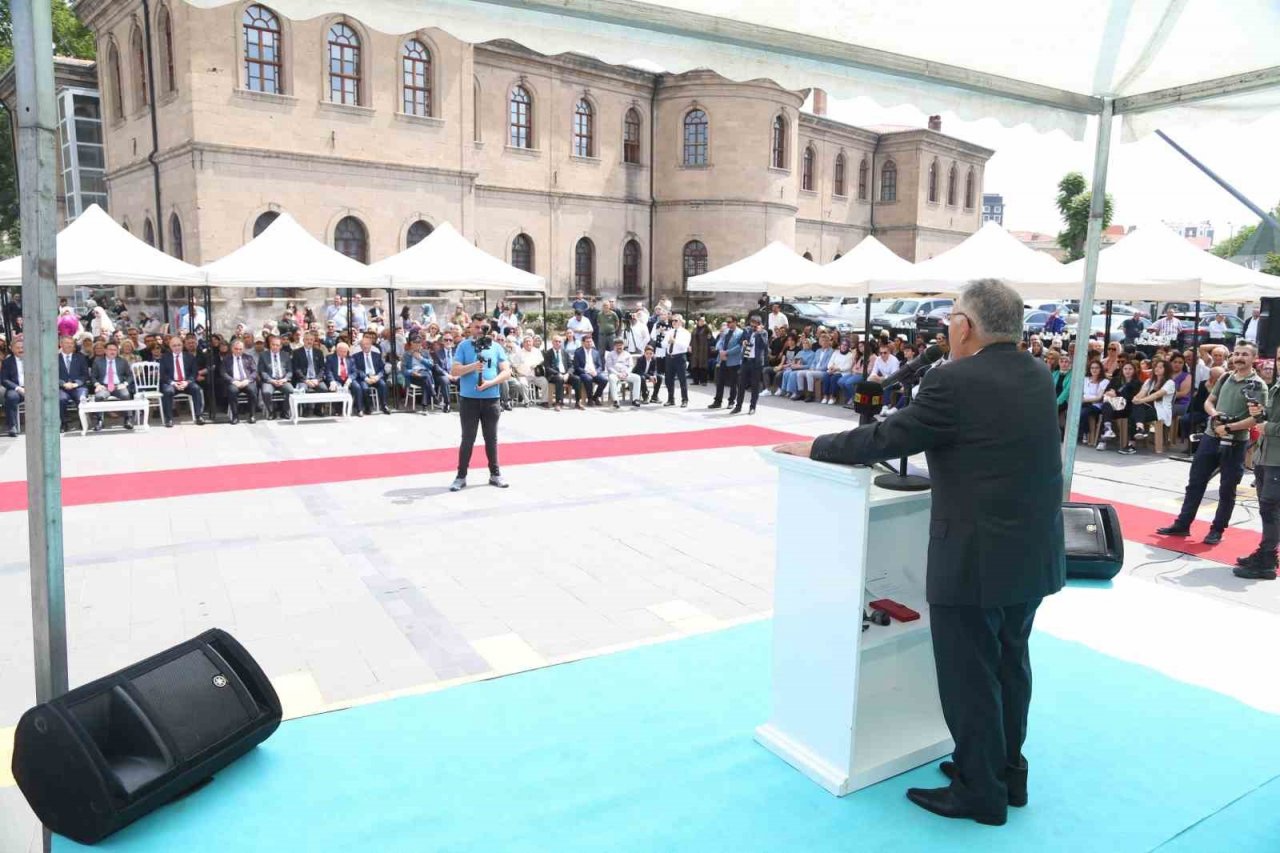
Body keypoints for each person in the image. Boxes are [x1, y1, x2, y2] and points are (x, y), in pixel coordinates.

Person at [773, 279, 1064, 826]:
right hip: (1033, 552)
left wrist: (814, 447)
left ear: (963, 326)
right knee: (1010, 663)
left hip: (975, 558)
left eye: (950, 318)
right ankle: (1006, 772)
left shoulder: (953, 380)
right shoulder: (1036, 372)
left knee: (970, 675)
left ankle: (980, 792)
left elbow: (886, 438)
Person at [1156, 342, 1267, 545]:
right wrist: (1215, 415)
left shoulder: (1258, 385)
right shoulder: (1225, 377)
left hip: (1235, 443)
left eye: (1245, 354)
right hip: (1210, 437)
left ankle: (1217, 530)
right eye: (1237, 354)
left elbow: (1257, 418)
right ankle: (1182, 524)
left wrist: (1230, 427)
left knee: (1227, 489)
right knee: (1195, 483)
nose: (1239, 358)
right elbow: (1209, 401)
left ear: (1254, 358)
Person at [450, 317, 510, 491]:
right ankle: (461, 476)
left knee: (491, 438)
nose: (479, 330)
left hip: (491, 399)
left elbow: (507, 372)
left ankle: (495, 474)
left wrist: (491, 383)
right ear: (470, 327)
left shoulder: (496, 347)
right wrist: (473, 367)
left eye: (483, 327)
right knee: (467, 439)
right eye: (476, 327)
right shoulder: (463, 346)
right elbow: (454, 370)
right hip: (469, 400)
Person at [1237, 392, 1280, 580]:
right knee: (1267, 509)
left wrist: (1268, 427)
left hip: (1276, 461)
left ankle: (1267, 561)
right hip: (1265, 456)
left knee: (1271, 509)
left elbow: (1271, 425)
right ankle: (1267, 552)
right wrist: (1261, 413)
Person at [159, 335, 206, 427]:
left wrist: (187, 382)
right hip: (172, 383)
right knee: (168, 391)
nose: (177, 347)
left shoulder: (190, 357)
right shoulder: (165, 358)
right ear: (170, 347)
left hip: (186, 382)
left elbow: (194, 373)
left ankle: (199, 416)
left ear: (182, 345)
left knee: (196, 389)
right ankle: (169, 419)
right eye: (174, 345)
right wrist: (173, 383)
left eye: (179, 345)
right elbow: (163, 374)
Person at [1098, 361, 1142, 452]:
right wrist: (1111, 393)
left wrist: (1116, 393)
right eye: (1125, 369)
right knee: (1106, 406)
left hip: (1127, 408)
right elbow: (1107, 392)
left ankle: (1104, 439)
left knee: (1131, 415)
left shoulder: (1137, 383)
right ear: (1122, 370)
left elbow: (1132, 397)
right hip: (1114, 406)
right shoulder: (1116, 380)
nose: (1127, 371)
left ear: (1134, 371)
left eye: (1130, 369)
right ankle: (1107, 430)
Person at [733, 314, 769, 415]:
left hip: (756, 362)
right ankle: (738, 406)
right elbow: (740, 340)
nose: (752, 327)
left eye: (755, 326)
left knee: (754, 386)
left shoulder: (764, 333)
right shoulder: (747, 330)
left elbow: (764, 345)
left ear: (759, 324)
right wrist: (743, 342)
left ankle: (752, 407)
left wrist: (759, 333)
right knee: (741, 384)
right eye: (751, 325)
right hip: (746, 360)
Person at [222, 339, 260, 424]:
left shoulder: (248, 358)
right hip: (234, 382)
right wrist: (233, 381)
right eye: (236, 349)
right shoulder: (226, 359)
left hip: (247, 381)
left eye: (240, 349)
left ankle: (252, 415)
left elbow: (254, 371)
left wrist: (248, 380)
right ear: (232, 349)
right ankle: (235, 416)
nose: (238, 351)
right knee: (232, 391)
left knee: (253, 390)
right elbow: (223, 373)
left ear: (243, 349)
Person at [57, 335, 90, 431]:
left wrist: (76, 384)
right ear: (61, 344)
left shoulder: (80, 358)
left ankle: (83, 422)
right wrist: (63, 384)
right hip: (62, 388)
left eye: (71, 343)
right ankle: (63, 423)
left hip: (78, 387)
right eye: (67, 343)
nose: (69, 345)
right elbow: (52, 375)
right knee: (61, 399)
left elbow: (85, 375)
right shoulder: (55, 358)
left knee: (81, 398)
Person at [709, 317, 743, 408]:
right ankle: (717, 401)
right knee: (720, 381)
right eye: (727, 322)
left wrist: (727, 352)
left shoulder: (740, 333)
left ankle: (731, 401)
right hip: (722, 359)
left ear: (735, 322)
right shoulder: (725, 331)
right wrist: (721, 351)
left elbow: (739, 347)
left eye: (730, 322)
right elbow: (720, 342)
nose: (728, 324)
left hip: (733, 361)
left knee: (733, 383)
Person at [353, 334, 391, 415]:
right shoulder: (356, 356)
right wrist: (366, 378)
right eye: (363, 345)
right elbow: (356, 370)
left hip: (375, 376)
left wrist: (378, 377)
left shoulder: (376, 355)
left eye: (367, 344)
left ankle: (384, 406)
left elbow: (382, 369)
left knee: (383, 385)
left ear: (371, 345)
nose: (365, 346)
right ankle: (367, 408)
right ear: (360, 346)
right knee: (364, 388)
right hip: (364, 378)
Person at [1076, 360, 1110, 443]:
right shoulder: (1085, 379)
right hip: (1083, 403)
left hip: (1095, 405)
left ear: (1100, 369)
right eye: (1092, 368)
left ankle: (1082, 433)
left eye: (1097, 368)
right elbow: (1080, 392)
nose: (1094, 370)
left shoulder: (1104, 381)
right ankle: (1084, 431)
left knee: (1083, 412)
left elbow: (1099, 398)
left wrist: (1084, 400)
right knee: (1071, 411)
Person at [663, 315, 691, 408]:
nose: (673, 322)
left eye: (676, 320)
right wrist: (668, 342)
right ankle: (671, 399)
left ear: (680, 322)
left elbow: (685, 346)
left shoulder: (685, 333)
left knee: (682, 379)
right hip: (669, 357)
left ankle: (684, 400)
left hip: (679, 357)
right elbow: (663, 344)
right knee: (669, 379)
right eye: (672, 321)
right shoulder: (669, 332)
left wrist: (675, 341)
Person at [572, 334, 608, 408]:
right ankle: (590, 398)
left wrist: (596, 372)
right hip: (584, 372)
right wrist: (587, 372)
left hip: (594, 372)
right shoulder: (578, 352)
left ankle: (596, 397)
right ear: (583, 343)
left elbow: (600, 366)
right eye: (587, 342)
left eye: (590, 341)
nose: (589, 343)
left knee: (604, 380)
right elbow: (577, 367)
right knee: (588, 378)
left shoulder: (596, 352)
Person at [542, 335, 575, 411]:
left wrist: (568, 374)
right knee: (559, 379)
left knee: (577, 379)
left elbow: (571, 366)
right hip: (553, 375)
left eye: (559, 342)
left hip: (565, 374)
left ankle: (577, 402)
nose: (558, 343)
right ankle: (558, 403)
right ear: (552, 342)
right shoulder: (548, 353)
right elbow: (547, 367)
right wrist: (558, 373)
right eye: (556, 341)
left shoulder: (565, 353)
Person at [1, 338, 27, 436]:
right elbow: (4, 380)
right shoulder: (7, 362)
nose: (21, 350)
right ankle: (12, 426)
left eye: (22, 347)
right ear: (12, 349)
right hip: (16, 389)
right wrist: (18, 388)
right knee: (11, 397)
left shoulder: (32, 360)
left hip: (33, 387)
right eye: (18, 348)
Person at [401, 339, 437, 410]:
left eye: (419, 342)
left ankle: (424, 405)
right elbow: (403, 370)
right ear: (411, 343)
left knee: (425, 379)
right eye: (415, 342)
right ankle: (433, 394)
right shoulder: (406, 354)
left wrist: (421, 358)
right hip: (414, 376)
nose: (417, 344)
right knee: (426, 378)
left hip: (424, 373)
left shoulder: (425, 352)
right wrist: (412, 372)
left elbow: (431, 365)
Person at [292, 331, 330, 397]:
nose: (309, 341)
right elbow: (296, 369)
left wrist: (317, 379)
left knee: (324, 389)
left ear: (313, 341)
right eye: (307, 339)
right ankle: (306, 405)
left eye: (311, 340)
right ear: (303, 340)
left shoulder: (319, 352)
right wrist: (306, 380)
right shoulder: (296, 352)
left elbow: (322, 368)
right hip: (303, 380)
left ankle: (318, 404)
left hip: (316, 379)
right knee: (302, 390)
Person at [605, 338, 639, 407]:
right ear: (614, 346)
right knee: (611, 378)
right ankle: (616, 401)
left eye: (621, 345)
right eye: (617, 345)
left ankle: (635, 399)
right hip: (615, 374)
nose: (619, 347)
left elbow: (631, 366)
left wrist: (626, 373)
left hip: (625, 374)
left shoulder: (627, 354)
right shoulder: (610, 354)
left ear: (623, 346)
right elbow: (609, 367)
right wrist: (618, 374)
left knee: (637, 378)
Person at [690, 316, 713, 386]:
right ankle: (695, 381)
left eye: (703, 321)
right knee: (695, 365)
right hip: (695, 349)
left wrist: (706, 325)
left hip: (703, 350)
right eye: (700, 321)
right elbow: (691, 338)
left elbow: (710, 336)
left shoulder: (706, 329)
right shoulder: (694, 329)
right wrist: (690, 346)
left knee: (703, 365)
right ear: (697, 322)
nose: (702, 322)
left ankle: (703, 381)